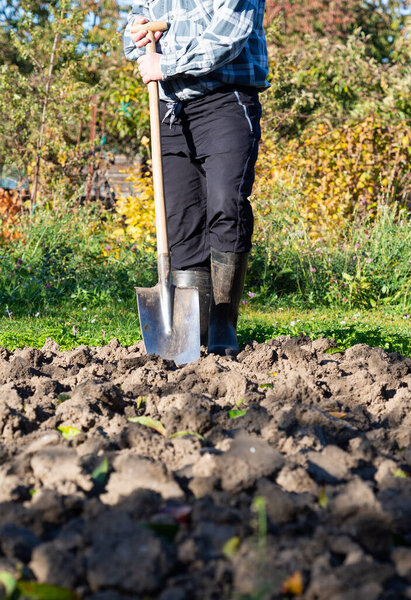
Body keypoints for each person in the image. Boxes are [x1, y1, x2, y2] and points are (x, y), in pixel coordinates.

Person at [124, 0, 269, 356]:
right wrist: (138, 28)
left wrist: (165, 64)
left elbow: (227, 38)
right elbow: (132, 37)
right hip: (170, 109)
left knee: (226, 203)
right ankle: (193, 330)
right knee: (181, 220)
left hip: (224, 100)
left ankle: (222, 320)